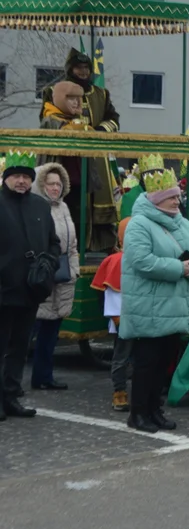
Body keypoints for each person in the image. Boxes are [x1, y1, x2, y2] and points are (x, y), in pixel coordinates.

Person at [120, 168, 189, 433]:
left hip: (175, 305)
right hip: (151, 307)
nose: (177, 201)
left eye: (177, 197)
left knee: (164, 362)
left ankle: (155, 409)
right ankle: (138, 413)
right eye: (171, 197)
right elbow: (142, 262)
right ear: (156, 199)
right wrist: (181, 269)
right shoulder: (139, 224)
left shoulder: (182, 222)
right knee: (147, 363)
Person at [40, 50, 120, 252]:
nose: (83, 72)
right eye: (79, 68)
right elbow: (47, 120)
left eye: (86, 68)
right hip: (63, 158)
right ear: (70, 69)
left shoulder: (101, 94)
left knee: (95, 201)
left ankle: (96, 246)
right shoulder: (53, 91)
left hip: (95, 159)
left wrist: (99, 131)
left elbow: (113, 119)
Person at [0, 151, 60, 420]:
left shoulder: (39, 205)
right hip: (2, 291)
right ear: (6, 178)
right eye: (16, 176)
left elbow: (53, 243)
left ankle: (11, 397)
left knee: (19, 349)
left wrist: (49, 265)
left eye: (26, 176)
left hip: (30, 291)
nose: (21, 181)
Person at [29, 162, 80, 391]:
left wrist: (74, 268)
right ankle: (13, 380)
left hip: (63, 276)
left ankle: (44, 376)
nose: (55, 188)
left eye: (59, 184)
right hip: (42, 276)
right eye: (50, 184)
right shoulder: (35, 207)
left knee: (51, 332)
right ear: (41, 185)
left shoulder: (64, 208)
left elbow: (72, 245)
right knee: (31, 330)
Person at [91, 217, 130, 411]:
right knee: (121, 356)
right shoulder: (116, 261)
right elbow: (112, 294)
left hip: (145, 317)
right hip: (124, 318)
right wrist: (118, 319)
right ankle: (119, 391)